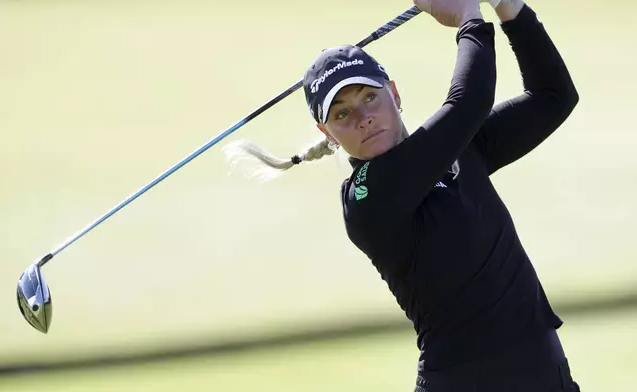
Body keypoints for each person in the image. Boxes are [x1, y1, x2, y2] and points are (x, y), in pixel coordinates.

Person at [223, 0, 580, 390]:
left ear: (394, 93)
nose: (363, 118)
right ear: (327, 133)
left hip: (547, 375)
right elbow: (468, 103)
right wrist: (468, 17)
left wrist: (508, 6)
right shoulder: (366, 198)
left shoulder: (459, 150)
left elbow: (553, 95)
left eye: (369, 98)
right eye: (341, 114)